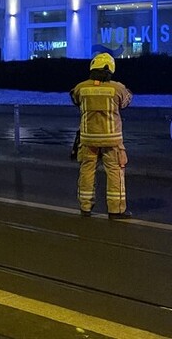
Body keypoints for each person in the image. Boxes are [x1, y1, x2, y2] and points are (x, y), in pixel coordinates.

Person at [70, 53, 133, 219]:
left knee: (87, 170)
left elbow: (75, 100)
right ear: (110, 69)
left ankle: (85, 207)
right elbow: (126, 102)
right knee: (115, 171)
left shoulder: (81, 88)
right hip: (112, 139)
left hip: (88, 138)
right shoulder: (117, 88)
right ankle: (116, 210)